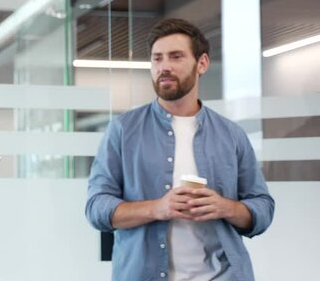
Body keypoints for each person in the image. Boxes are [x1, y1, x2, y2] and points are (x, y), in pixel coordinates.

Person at [85, 18, 274, 280]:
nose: (164, 67)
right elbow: (96, 208)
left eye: (176, 57)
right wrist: (157, 208)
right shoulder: (123, 130)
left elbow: (263, 209)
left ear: (202, 63)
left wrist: (225, 207)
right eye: (157, 59)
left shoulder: (231, 135)